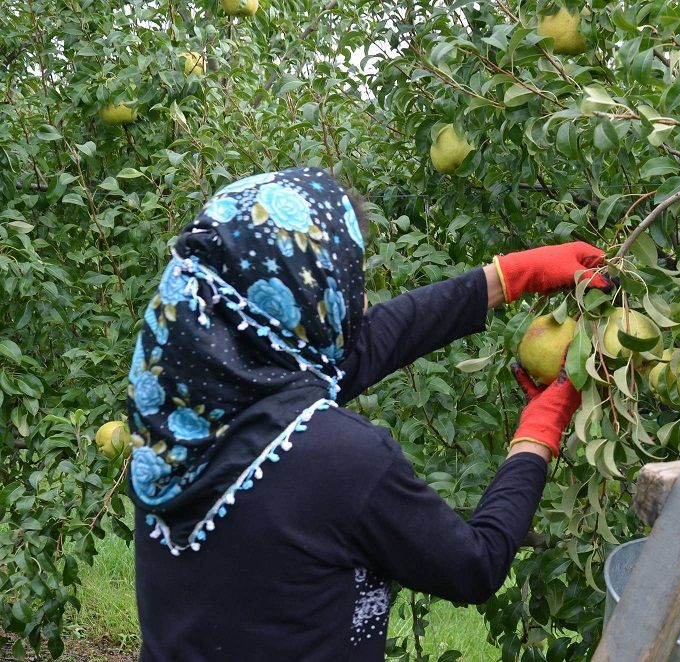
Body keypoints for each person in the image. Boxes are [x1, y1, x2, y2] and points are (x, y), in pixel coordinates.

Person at [125, 166, 610, 660]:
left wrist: (508, 278)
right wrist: (538, 431)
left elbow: (355, 351)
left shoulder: (175, 405)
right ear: (300, 299)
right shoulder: (342, 460)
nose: (360, 297)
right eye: (345, 276)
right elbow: (474, 565)